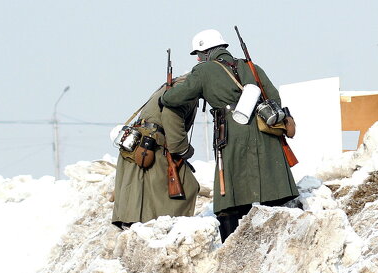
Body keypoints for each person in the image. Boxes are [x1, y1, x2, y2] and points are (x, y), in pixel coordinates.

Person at [159, 29, 299, 240]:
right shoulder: (251, 66)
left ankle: (233, 245)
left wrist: (165, 95)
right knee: (273, 189)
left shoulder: (203, 70)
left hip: (232, 132)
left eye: (198, 53)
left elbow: (176, 98)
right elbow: (274, 97)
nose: (197, 58)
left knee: (230, 195)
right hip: (265, 130)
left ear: (206, 52)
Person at [111, 86, 200, 227]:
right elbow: (171, 118)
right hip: (152, 143)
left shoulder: (173, 86)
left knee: (140, 189)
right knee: (188, 186)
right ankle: (167, 227)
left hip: (143, 141)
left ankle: (139, 223)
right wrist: (184, 150)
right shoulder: (187, 91)